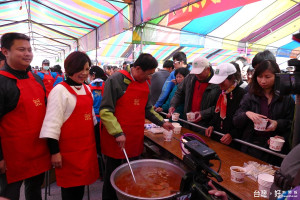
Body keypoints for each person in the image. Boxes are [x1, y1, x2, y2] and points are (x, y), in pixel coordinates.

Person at [99, 53, 174, 200]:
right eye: (148, 74)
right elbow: (106, 110)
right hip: (116, 138)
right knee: (112, 176)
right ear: (137, 68)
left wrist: (162, 122)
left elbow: (148, 109)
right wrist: (117, 132)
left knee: (134, 175)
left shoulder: (145, 84)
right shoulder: (116, 80)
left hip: (134, 137)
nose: (150, 78)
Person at [40, 51, 99, 200]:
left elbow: (92, 119)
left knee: (80, 189)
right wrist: (55, 152)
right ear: (69, 68)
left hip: (86, 150)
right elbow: (51, 124)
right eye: (81, 69)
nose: (84, 73)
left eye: (87, 69)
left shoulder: (87, 89)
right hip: (67, 153)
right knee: (70, 191)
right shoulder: (59, 90)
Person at [0, 32, 51, 200]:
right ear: (5, 51)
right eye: (21, 49)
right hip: (11, 157)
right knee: (9, 194)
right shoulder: (2, 82)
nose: (28, 54)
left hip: (37, 151)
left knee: (34, 191)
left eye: (29, 49)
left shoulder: (36, 79)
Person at [233, 60, 295, 165]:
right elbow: (236, 121)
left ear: (276, 76)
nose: (263, 81)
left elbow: (291, 124)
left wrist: (278, 124)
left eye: (267, 77)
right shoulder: (249, 96)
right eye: (260, 76)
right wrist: (247, 113)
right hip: (251, 146)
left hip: (274, 149)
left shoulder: (286, 98)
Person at [168, 56, 220, 130]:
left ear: (208, 69)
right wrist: (173, 105)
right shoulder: (190, 77)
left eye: (199, 73)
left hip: (205, 125)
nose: (197, 75)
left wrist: (203, 114)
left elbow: (218, 106)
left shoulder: (217, 82)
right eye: (195, 72)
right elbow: (179, 93)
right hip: (188, 121)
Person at [205, 63, 246, 146]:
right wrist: (211, 125)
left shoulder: (242, 94)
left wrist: (232, 134)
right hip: (217, 137)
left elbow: (244, 121)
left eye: (222, 81)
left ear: (232, 78)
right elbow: (217, 113)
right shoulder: (220, 93)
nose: (219, 84)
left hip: (233, 142)